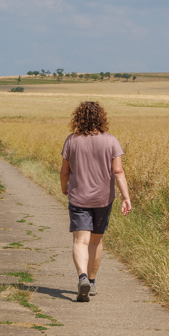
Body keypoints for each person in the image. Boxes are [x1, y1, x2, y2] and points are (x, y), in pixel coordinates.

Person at [60, 101, 131, 302]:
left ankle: (81, 276)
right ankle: (91, 282)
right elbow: (118, 171)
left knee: (80, 241)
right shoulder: (111, 141)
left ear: (78, 118)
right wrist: (126, 197)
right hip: (103, 198)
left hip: (78, 197)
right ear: (101, 118)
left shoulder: (72, 140)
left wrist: (64, 186)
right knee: (96, 240)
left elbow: (65, 171)